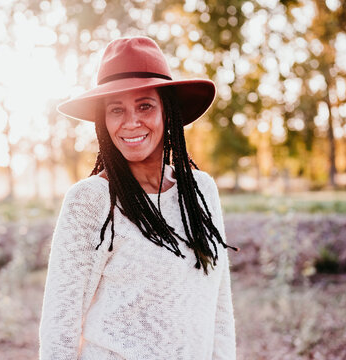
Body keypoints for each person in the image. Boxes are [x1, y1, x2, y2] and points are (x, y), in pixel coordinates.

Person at [39, 36, 238, 360]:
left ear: (167, 112)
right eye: (116, 109)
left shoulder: (200, 191)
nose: (131, 122)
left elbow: (219, 306)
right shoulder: (91, 201)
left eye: (145, 105)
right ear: (103, 121)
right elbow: (60, 326)